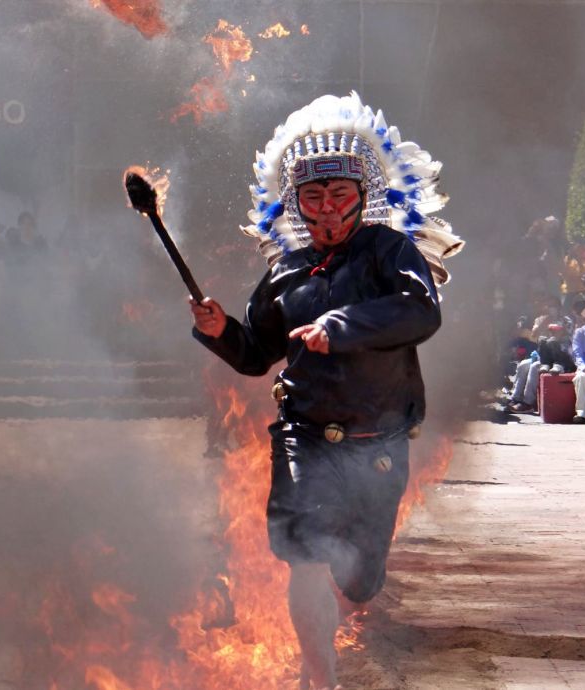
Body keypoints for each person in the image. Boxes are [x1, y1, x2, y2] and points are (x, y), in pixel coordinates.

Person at [190, 92, 461, 690]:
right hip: (303, 439)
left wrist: (340, 327)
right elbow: (256, 355)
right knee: (306, 557)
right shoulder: (285, 270)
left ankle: (356, 594)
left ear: (363, 197)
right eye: (313, 196)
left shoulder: (389, 251)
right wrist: (219, 331)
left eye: (339, 195)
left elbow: (421, 312)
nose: (327, 207)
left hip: (377, 442)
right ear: (296, 202)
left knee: (361, 579)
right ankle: (321, 681)